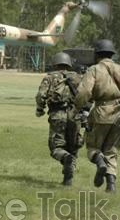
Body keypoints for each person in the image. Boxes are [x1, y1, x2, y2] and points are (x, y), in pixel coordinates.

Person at [74, 39, 120, 193]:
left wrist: (77, 107)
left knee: (93, 147)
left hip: (100, 112)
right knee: (111, 151)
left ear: (97, 54)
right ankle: (111, 185)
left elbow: (84, 93)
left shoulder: (93, 70)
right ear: (112, 54)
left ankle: (99, 162)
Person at [35, 52, 84, 186]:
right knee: (73, 147)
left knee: (56, 147)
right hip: (75, 115)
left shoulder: (50, 77)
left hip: (57, 115)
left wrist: (40, 109)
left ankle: (65, 158)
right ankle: (68, 180)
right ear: (68, 63)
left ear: (55, 64)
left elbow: (41, 95)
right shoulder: (78, 77)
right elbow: (86, 95)